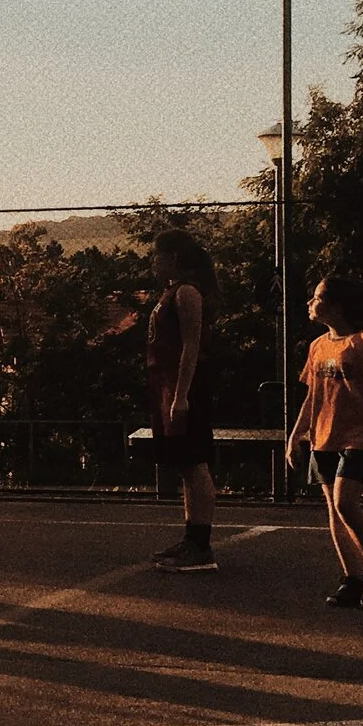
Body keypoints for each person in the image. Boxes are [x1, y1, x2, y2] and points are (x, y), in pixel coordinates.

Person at [285, 275, 363, 607]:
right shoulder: (318, 346)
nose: (310, 303)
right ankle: (351, 578)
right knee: (334, 511)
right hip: (324, 437)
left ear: (337, 306)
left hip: (357, 437)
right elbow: (312, 396)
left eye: (317, 297)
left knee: (345, 503)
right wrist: (295, 436)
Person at [146, 229, 221, 573]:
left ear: (173, 257)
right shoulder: (171, 291)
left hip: (185, 387)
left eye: (157, 256)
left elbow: (191, 347)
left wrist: (181, 396)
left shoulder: (187, 292)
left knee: (195, 461)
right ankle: (191, 538)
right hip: (167, 386)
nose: (153, 262)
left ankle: (201, 546)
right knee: (183, 464)